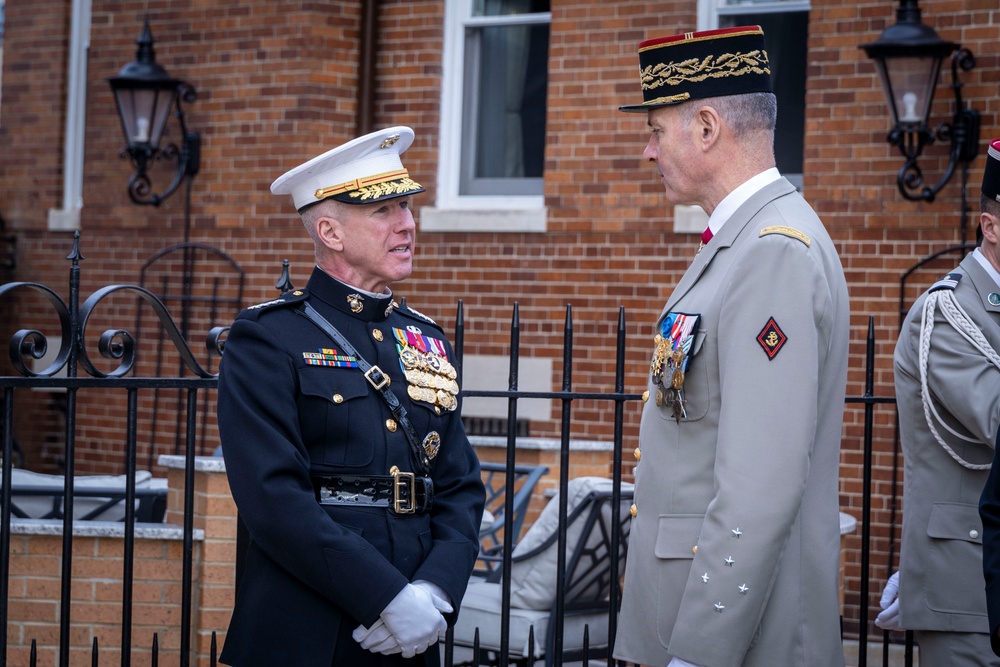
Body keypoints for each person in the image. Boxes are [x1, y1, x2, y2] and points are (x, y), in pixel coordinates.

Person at [613, 26, 850, 667]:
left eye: (657, 130)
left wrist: (700, 650)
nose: (648, 151)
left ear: (709, 127)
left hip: (736, 641)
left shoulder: (771, 251)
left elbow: (759, 485)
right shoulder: (746, 242)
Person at [216, 126, 486, 666]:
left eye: (407, 207)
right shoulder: (269, 338)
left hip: (412, 629)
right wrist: (383, 596)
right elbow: (272, 498)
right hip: (306, 630)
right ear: (330, 232)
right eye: (385, 211)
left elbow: (460, 486)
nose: (408, 224)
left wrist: (432, 593)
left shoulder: (425, 339)